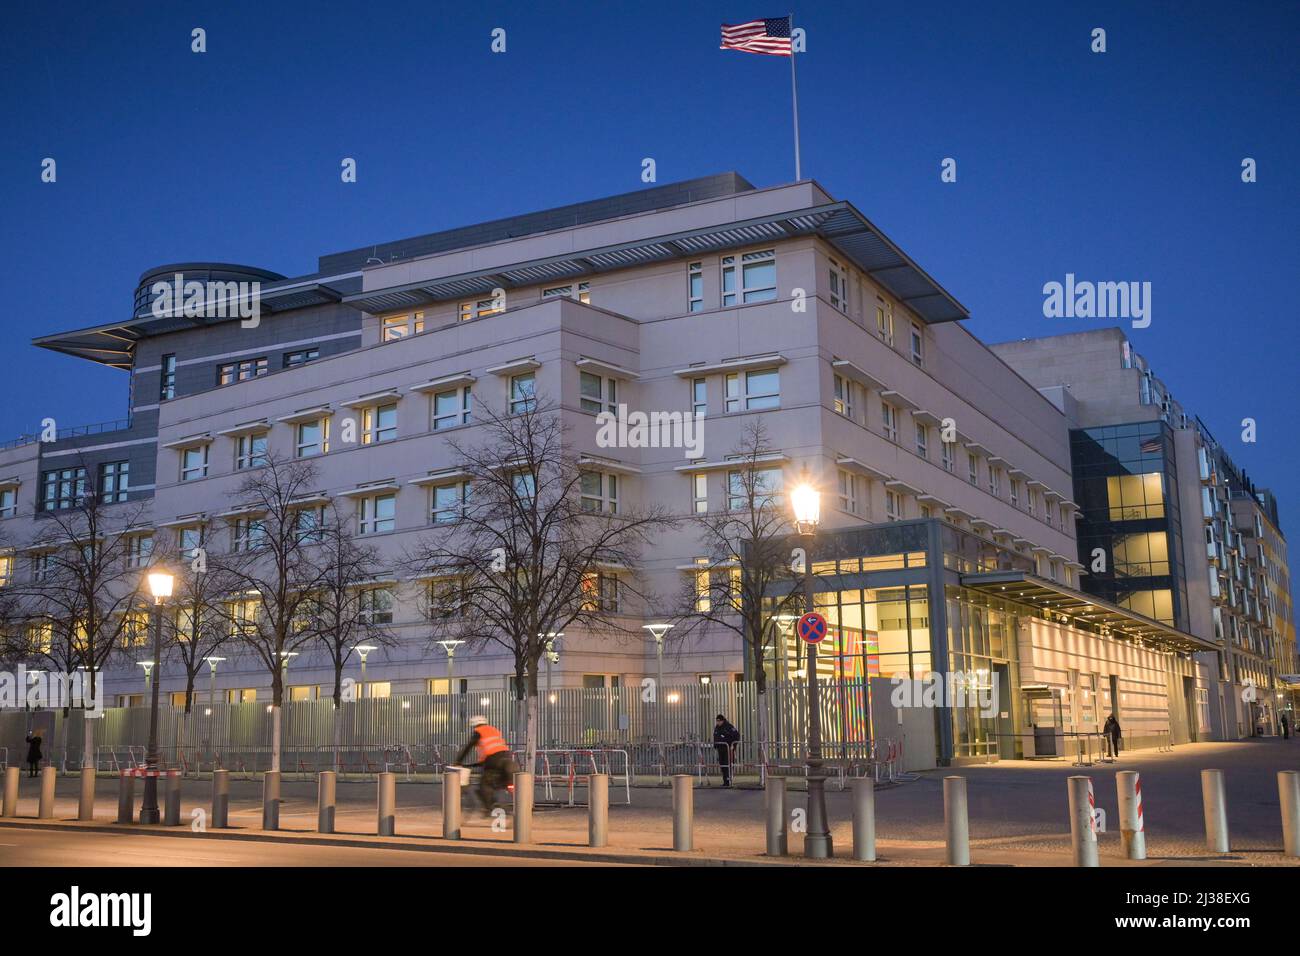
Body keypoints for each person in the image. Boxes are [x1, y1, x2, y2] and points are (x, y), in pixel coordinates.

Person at [454, 715, 516, 815]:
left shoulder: (479, 732)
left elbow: (468, 748)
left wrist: (458, 761)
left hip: (493, 760)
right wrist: (474, 764)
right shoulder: (494, 730)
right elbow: (494, 749)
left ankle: (492, 808)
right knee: (497, 783)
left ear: (475, 725)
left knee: (484, 786)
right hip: (506, 758)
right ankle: (497, 804)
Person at [713, 714, 740, 787]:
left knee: (728, 764)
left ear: (722, 720)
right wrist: (715, 745)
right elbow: (715, 736)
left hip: (727, 749)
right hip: (720, 749)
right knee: (723, 765)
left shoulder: (728, 727)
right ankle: (725, 781)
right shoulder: (717, 728)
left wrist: (733, 745)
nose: (717, 722)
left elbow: (736, 736)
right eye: (717, 721)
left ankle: (729, 780)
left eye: (719, 721)